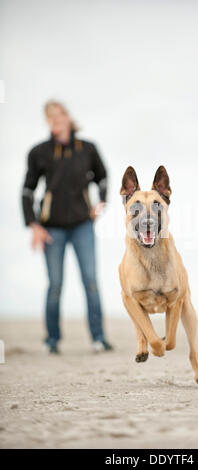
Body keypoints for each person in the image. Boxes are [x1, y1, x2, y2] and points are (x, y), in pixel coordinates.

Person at [22, 100, 113, 354]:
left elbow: (103, 176)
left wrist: (101, 202)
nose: (56, 119)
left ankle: (98, 338)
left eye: (59, 114)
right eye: (50, 116)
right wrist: (34, 225)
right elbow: (27, 191)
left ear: (68, 117)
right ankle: (52, 341)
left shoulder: (88, 149)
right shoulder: (38, 152)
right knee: (55, 285)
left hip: (83, 225)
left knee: (91, 281)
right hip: (51, 229)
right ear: (47, 122)